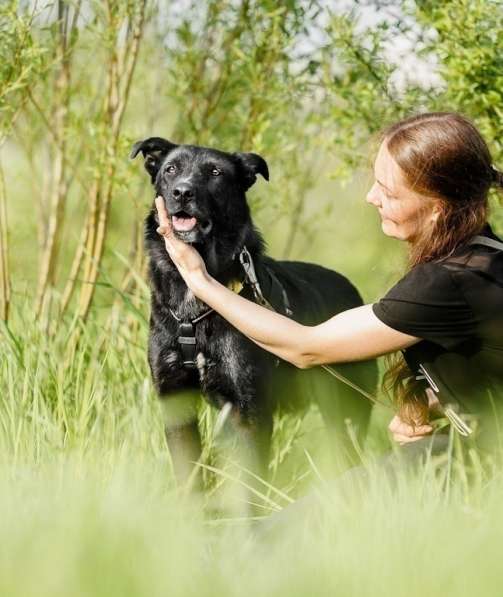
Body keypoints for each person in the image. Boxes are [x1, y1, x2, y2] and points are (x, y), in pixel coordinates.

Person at [154, 112, 503, 447]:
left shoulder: (451, 279)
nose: (371, 198)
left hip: (488, 462)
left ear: (438, 207)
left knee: (318, 509)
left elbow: (306, 347)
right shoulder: (482, 255)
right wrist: (435, 401)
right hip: (478, 442)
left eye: (388, 191)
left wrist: (199, 280)